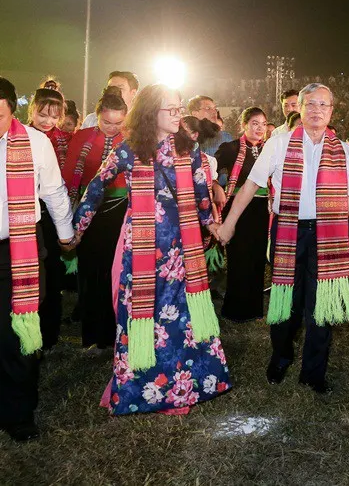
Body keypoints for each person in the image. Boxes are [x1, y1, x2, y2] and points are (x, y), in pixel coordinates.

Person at [73, 84, 230, 415]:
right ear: (150, 114)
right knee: (142, 315)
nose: (178, 115)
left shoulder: (191, 151)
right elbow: (96, 187)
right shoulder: (129, 150)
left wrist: (212, 225)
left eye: (178, 108)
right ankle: (142, 387)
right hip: (141, 250)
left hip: (181, 249)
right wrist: (76, 229)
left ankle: (182, 385)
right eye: (170, 110)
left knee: (180, 319)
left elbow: (202, 197)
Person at [217, 83, 349, 394]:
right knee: (288, 303)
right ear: (299, 107)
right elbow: (250, 186)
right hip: (289, 232)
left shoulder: (343, 149)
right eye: (311, 104)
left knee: (320, 306)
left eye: (323, 105)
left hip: (329, 236)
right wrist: (229, 223)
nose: (316, 110)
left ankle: (314, 371)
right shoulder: (279, 143)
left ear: (331, 112)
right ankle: (281, 357)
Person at [0, 77, 75, 441]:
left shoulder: (34, 142)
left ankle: (17, 412)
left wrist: (65, 235)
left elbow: (55, 192)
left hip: (18, 250)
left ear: (13, 110)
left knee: (19, 332)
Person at [62, 86, 128, 350]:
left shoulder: (133, 140)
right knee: (90, 273)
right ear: (97, 115)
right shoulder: (81, 137)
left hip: (121, 212)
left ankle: (114, 335)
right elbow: (68, 176)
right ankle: (91, 334)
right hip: (88, 213)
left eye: (118, 123)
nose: (112, 128)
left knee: (116, 272)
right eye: (106, 122)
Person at [26, 88, 73, 348]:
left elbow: (58, 187)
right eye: (42, 114)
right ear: (31, 109)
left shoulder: (65, 141)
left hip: (54, 211)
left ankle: (49, 334)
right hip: (30, 214)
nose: (47, 121)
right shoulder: (18, 138)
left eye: (54, 116)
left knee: (51, 276)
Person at [213, 107, 270, 321]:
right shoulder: (231, 148)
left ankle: (255, 308)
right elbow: (210, 168)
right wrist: (216, 185)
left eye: (263, 124)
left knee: (256, 258)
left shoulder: (269, 149)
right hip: (238, 208)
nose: (260, 128)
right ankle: (235, 309)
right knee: (238, 257)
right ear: (244, 125)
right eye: (255, 123)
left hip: (263, 209)